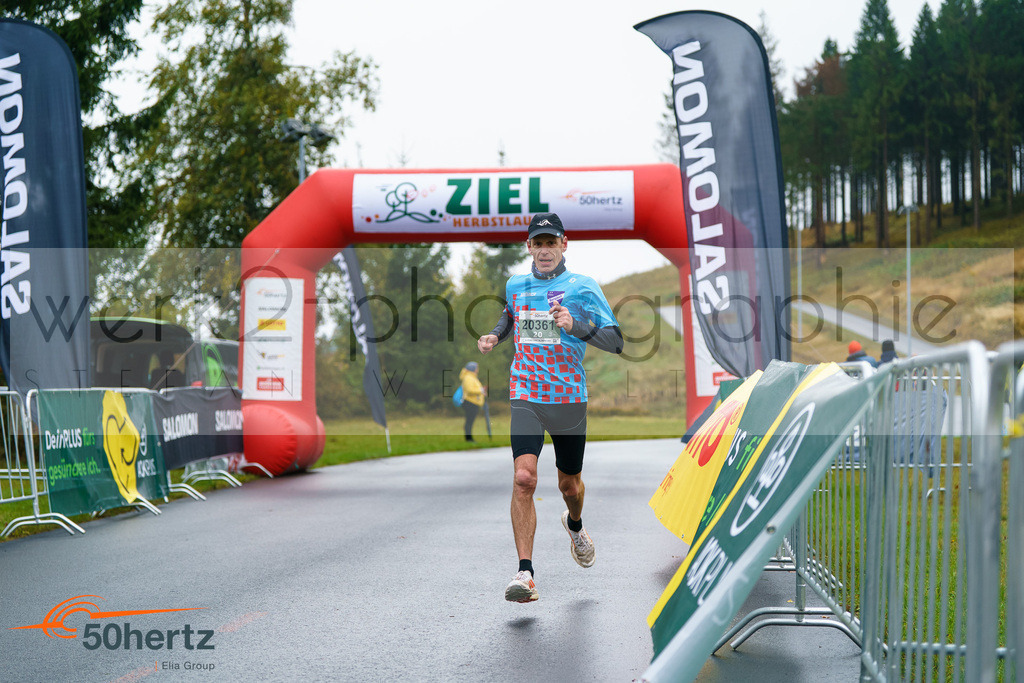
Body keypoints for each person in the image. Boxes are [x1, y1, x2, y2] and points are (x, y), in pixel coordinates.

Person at [477, 212, 624, 603]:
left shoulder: (583, 286)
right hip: (526, 393)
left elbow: (616, 341)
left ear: (564, 244)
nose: (544, 250)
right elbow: (511, 314)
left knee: (568, 485)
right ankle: (525, 574)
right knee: (524, 478)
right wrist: (494, 335)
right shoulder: (516, 284)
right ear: (529, 247)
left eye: (551, 242)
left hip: (568, 398)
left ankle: (574, 524)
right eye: (538, 243)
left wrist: (577, 327)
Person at [459, 361, 486, 441]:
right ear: (473, 369)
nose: (477, 369)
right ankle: (469, 439)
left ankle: (469, 438)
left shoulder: (472, 377)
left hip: (473, 402)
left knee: (470, 421)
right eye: (476, 368)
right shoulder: (468, 377)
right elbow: (469, 390)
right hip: (470, 402)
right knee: (469, 421)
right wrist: (481, 391)